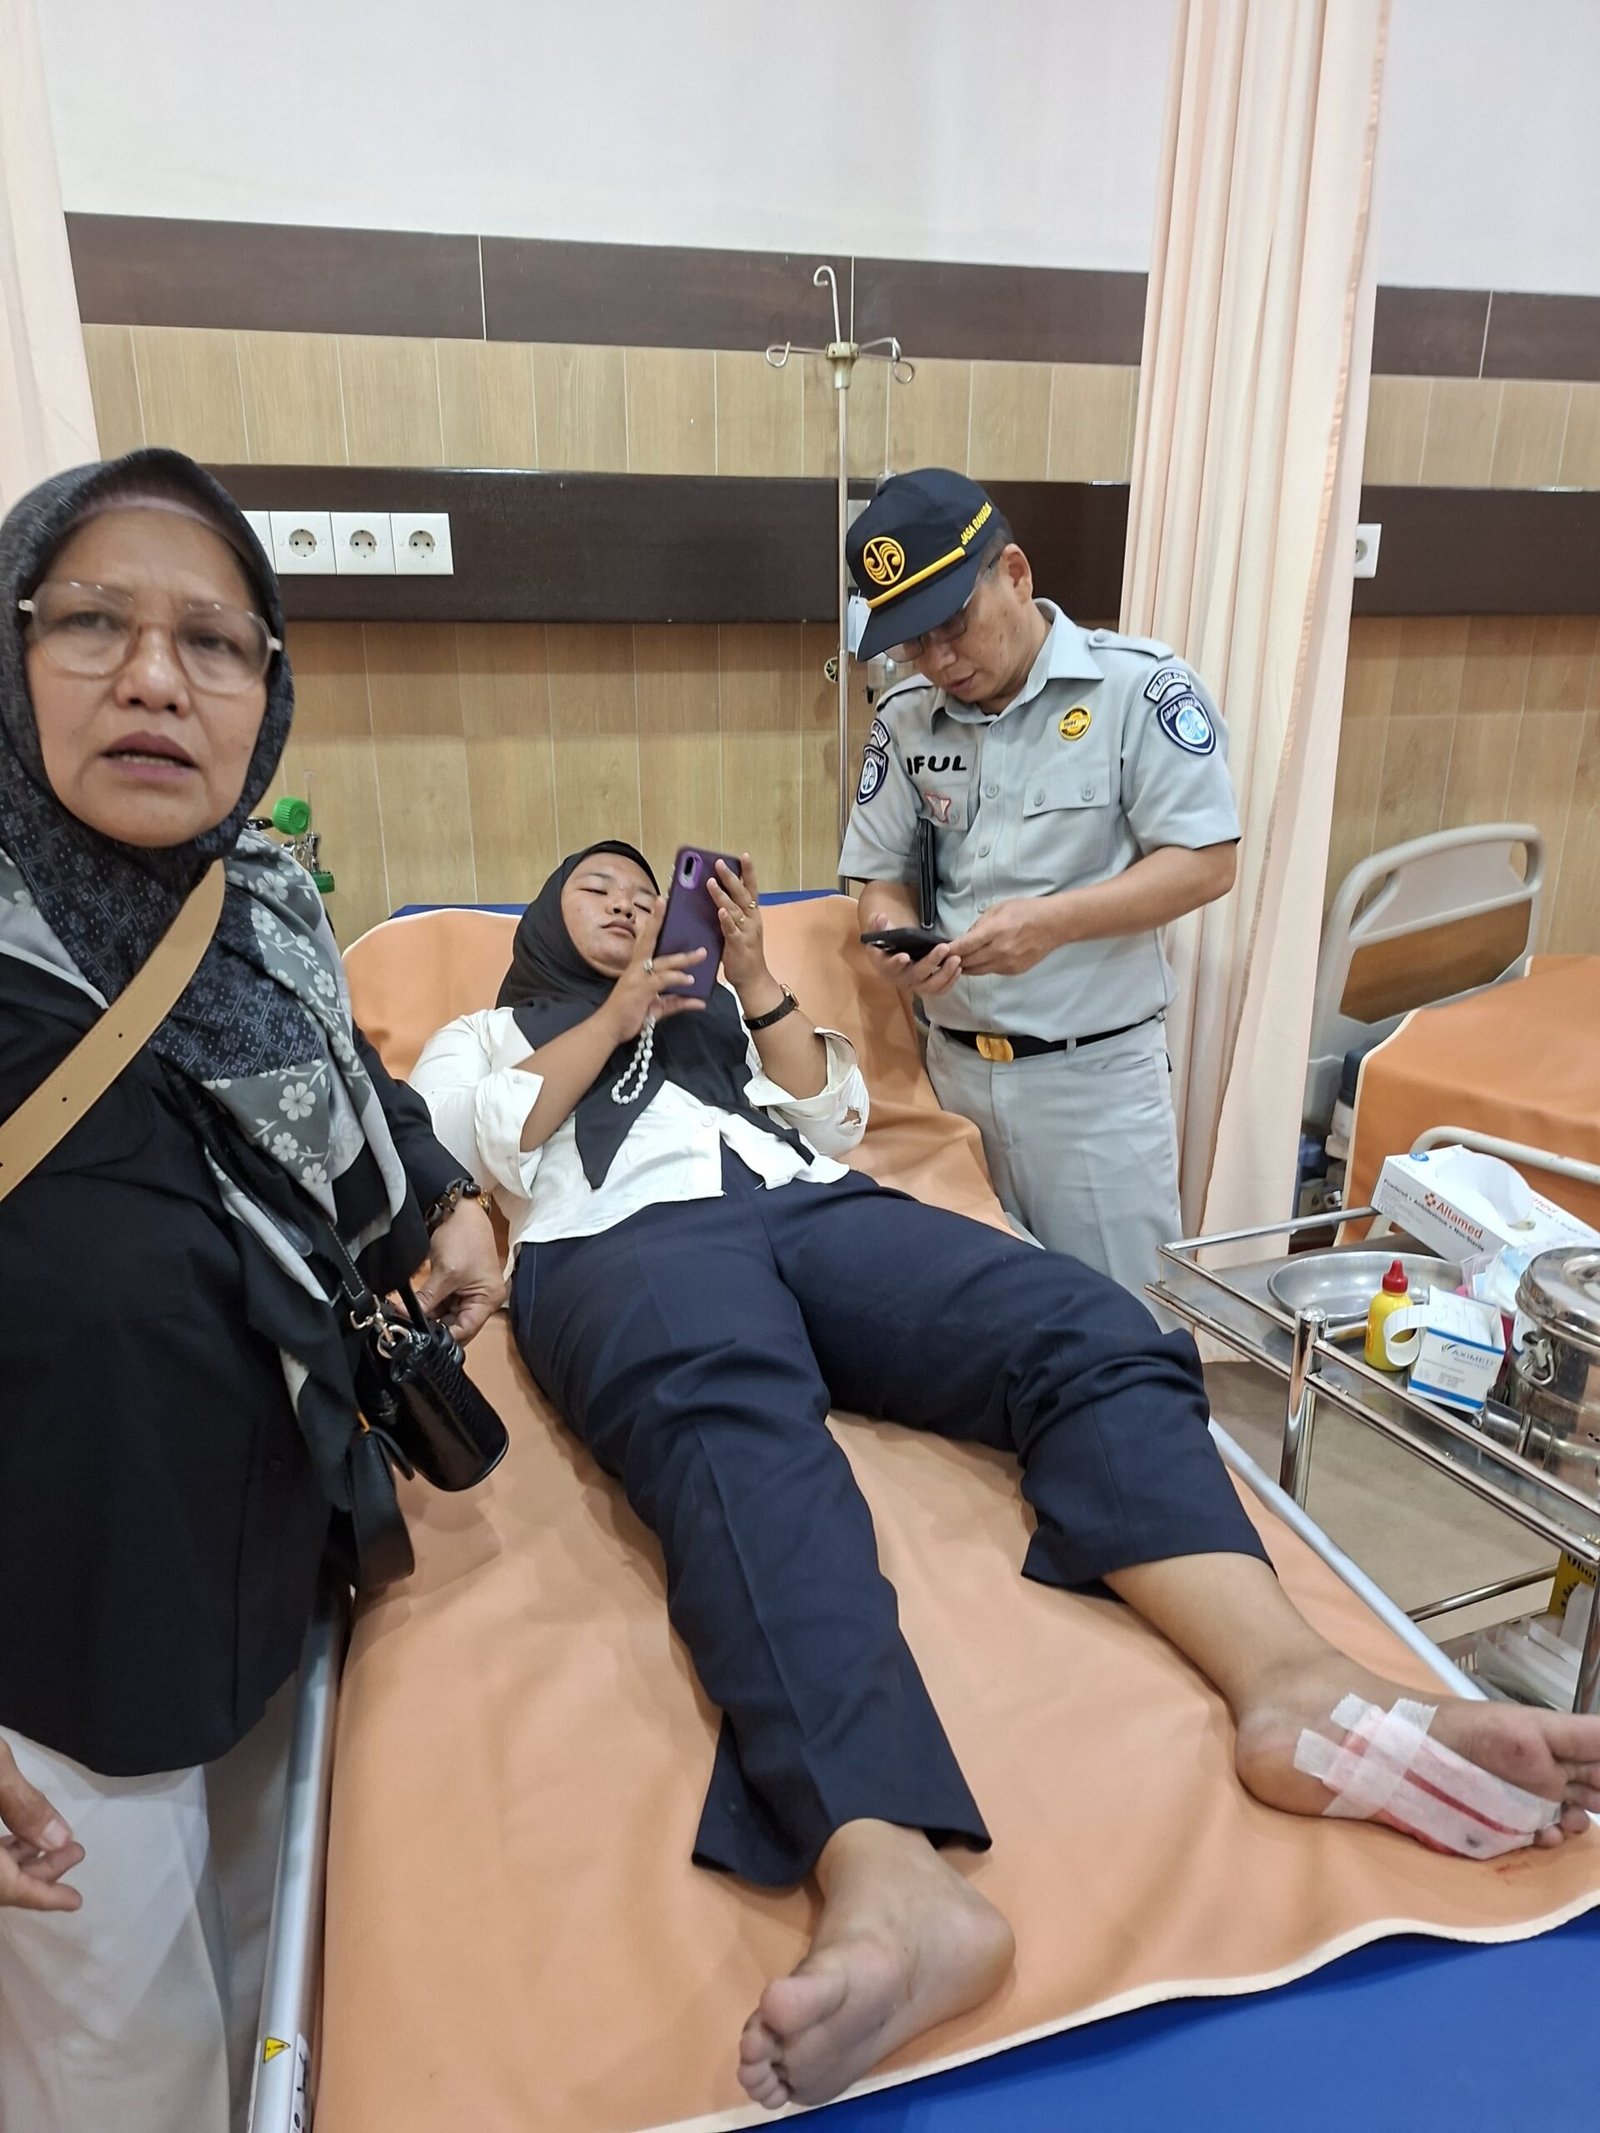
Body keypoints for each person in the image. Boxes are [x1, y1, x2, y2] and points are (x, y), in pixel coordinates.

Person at [413, 837, 1600, 2116]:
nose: (631, 904)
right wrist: (614, 1016)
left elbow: (834, 1118)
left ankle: (1294, 1685)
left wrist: (750, 982)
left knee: (1087, 1324)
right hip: (619, 1240)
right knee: (731, 1436)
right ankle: (888, 1871)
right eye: (596, 890)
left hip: (808, 1205)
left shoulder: (714, 1016)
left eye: (649, 894)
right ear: (540, 922)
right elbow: (478, 1144)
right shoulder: (482, 1036)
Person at [0, 447, 505, 2133]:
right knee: (121, 2078)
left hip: (281, 1575)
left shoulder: (264, 908)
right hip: (60, 1668)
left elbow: (354, 1102)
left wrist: (449, 1204)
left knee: (265, 2008)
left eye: (214, 641)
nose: (157, 677)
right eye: (93, 622)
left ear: (267, 688)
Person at [839, 467, 1239, 1302]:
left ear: (1015, 574)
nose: (939, 660)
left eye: (953, 625)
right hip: (952, 1081)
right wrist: (891, 939)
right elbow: (878, 877)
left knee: (1126, 1330)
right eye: (913, 643)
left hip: (1092, 1088)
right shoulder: (905, 720)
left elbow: (1207, 861)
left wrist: (1054, 923)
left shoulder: (1137, 689)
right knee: (980, 1328)